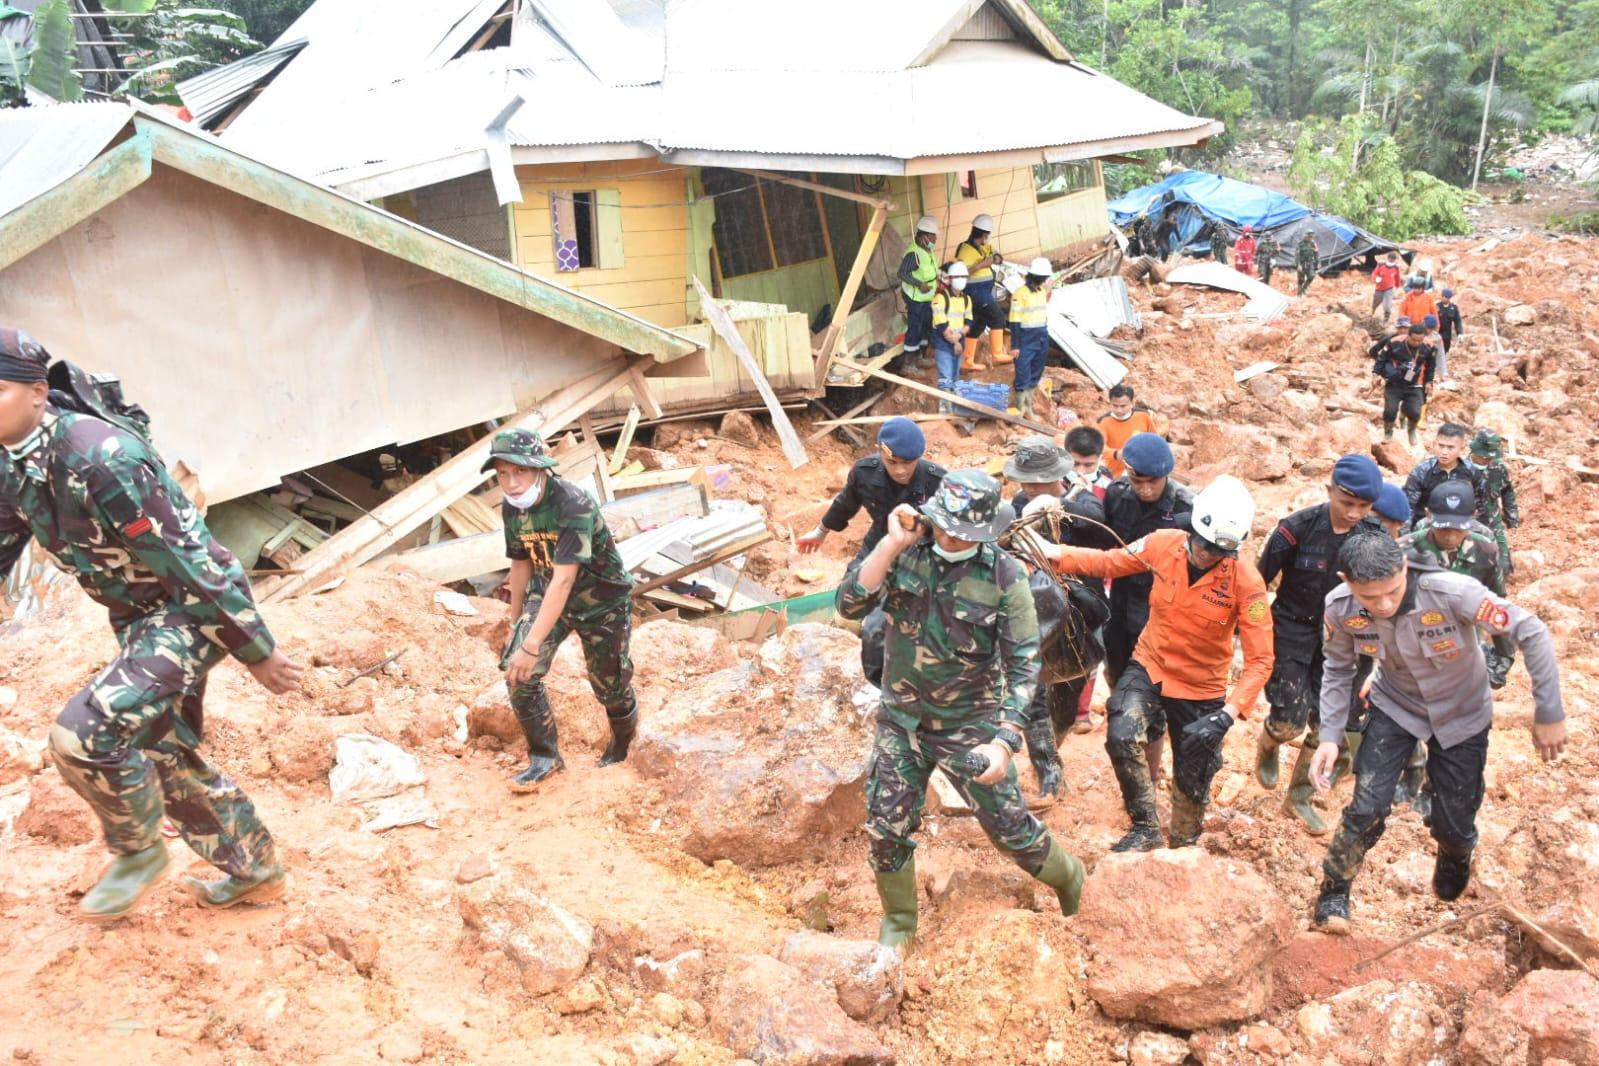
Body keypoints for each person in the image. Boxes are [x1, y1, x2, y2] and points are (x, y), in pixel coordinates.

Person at [0, 328, 301, 918]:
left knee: (83, 735)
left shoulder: (101, 458)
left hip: (192, 609)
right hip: (138, 616)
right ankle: (254, 869)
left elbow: (188, 562)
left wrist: (254, 647)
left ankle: (138, 854)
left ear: (38, 392)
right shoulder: (12, 466)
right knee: (160, 747)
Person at [836, 470, 1087, 947]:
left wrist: (1005, 741)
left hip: (969, 727)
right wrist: (888, 546)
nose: (948, 536)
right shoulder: (908, 550)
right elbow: (849, 603)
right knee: (886, 826)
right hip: (901, 720)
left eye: (960, 530)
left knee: (1011, 831)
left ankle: (1069, 877)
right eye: (943, 524)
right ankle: (900, 924)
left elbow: (1024, 664)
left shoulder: (1005, 577)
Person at [1309, 534, 1565, 932]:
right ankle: (1334, 891)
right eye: (1369, 599)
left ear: (1404, 569)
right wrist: (1329, 734)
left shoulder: (1452, 592)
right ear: (1346, 580)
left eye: (1391, 592)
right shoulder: (1340, 607)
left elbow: (1530, 631)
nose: (1383, 605)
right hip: (1396, 707)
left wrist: (1548, 711)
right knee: (1366, 807)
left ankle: (1456, 851)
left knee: (1454, 824)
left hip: (1462, 712)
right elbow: (1338, 668)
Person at [1038, 475, 1274, 851]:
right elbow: (1109, 562)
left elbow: (1261, 660)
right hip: (1151, 666)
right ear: (1193, 529)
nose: (1208, 555)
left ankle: (1184, 841)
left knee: (1194, 773)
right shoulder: (1162, 544)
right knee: (1121, 734)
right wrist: (1056, 554)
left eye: (1219, 552)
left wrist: (1228, 714)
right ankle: (1144, 824)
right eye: (1205, 546)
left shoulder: (1248, 583)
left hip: (1202, 688)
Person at [492, 428, 637, 791]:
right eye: (502, 474)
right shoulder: (514, 508)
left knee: (610, 687)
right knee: (518, 675)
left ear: (539, 468)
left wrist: (531, 645)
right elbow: (521, 562)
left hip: (601, 601)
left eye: (519, 472)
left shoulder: (573, 504)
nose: (510, 484)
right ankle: (544, 756)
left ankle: (622, 744)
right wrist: (516, 625)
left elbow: (565, 580)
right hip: (547, 594)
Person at [1254, 455, 1384, 833]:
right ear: (1329, 492)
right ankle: (1269, 741)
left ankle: (1298, 797)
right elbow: (1257, 582)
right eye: (1347, 504)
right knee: (1289, 720)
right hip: (1292, 631)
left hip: (1343, 642)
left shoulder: (1374, 539)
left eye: (1364, 506)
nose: (1355, 513)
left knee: (1327, 724)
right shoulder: (1295, 529)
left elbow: (1383, 596)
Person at [1004, 438, 1112, 796]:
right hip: (1037, 615)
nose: (1029, 488)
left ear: (1057, 476)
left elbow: (1099, 527)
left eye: (1037, 480)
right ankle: (1047, 770)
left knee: (1067, 700)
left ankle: (1056, 746)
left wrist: (1060, 507)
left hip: (1079, 617)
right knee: (1032, 693)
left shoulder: (1084, 502)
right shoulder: (1019, 504)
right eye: (1025, 481)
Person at [1100, 434, 1194, 691]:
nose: (1145, 488)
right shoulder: (1118, 495)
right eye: (1137, 481)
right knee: (1117, 668)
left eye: (1152, 481)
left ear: (1165, 475)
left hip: (1163, 606)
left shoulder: (1187, 508)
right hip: (1120, 599)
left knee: (1155, 678)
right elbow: (1103, 545)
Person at [799, 417, 946, 564]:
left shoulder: (939, 482)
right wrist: (820, 533)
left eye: (907, 462)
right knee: (851, 586)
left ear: (918, 456)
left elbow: (956, 527)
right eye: (892, 462)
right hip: (879, 544)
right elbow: (845, 504)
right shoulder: (864, 473)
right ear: (880, 451)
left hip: (921, 554)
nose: (899, 470)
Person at [1402, 423, 1490, 529]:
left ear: (1461, 448)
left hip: (1461, 528)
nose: (1444, 452)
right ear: (1434, 444)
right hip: (1427, 529)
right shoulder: (1422, 471)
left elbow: (1481, 506)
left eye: (1450, 447)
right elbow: (1407, 507)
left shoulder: (1471, 472)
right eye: (1441, 446)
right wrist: (1407, 537)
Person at [1370, 323, 1438, 446]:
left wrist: (1429, 382)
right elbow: (1382, 358)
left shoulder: (1429, 346)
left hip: (1415, 383)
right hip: (1394, 382)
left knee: (1415, 412)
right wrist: (1376, 374)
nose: (1417, 343)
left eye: (1420, 340)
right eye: (1414, 340)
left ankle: (1411, 431)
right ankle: (1388, 432)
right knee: (1390, 411)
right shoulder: (1395, 343)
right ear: (1408, 336)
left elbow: (1431, 366)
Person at [954, 214, 1005, 370]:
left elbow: (999, 257)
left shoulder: (985, 246)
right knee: (997, 316)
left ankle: (967, 361)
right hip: (974, 291)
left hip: (985, 289)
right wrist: (980, 265)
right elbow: (960, 274)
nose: (989, 238)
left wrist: (994, 259)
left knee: (978, 324)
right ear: (983, 234)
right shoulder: (964, 250)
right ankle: (997, 354)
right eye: (988, 235)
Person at [1007, 256, 1054, 417]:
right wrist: (1015, 345)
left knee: (1036, 371)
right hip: (1025, 338)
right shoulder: (1020, 293)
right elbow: (1014, 321)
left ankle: (1029, 408)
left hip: (1041, 335)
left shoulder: (1042, 291)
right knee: (1023, 372)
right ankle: (1021, 409)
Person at [1469, 428, 1519, 574]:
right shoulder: (1461, 469)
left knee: (1503, 563)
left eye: (1489, 458)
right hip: (1468, 524)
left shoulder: (1498, 468)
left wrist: (1512, 519)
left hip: (1492, 522)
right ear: (1474, 451)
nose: (1486, 461)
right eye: (1483, 457)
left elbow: (1507, 492)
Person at [898, 216, 941, 371]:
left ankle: (919, 358)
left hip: (926, 297)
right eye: (933, 236)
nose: (935, 239)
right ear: (924, 236)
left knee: (925, 326)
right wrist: (919, 284)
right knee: (914, 327)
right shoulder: (914, 254)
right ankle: (908, 363)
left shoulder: (926, 251)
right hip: (915, 297)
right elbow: (902, 273)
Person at [931, 262, 974, 409]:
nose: (961, 279)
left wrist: (960, 335)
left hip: (959, 342)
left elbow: (969, 321)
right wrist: (955, 342)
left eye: (964, 276)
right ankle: (945, 410)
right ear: (950, 279)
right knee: (945, 376)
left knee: (955, 376)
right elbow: (942, 325)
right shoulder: (940, 298)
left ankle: (954, 407)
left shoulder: (967, 299)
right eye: (958, 276)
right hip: (944, 344)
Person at [1096, 384, 1159, 479]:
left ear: (1132, 403)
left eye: (1123, 406)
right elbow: (1099, 448)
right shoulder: (1104, 422)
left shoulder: (1143, 417)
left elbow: (1155, 440)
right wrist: (1117, 454)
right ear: (1110, 403)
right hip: (1116, 475)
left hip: (1142, 470)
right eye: (1115, 405)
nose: (1119, 410)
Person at [1370, 252, 1403, 323]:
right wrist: (1376, 278)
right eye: (1390, 259)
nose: (1391, 260)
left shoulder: (1395, 268)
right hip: (1379, 288)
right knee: (1376, 302)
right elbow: (1374, 274)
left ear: (1394, 260)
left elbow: (1397, 278)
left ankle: (1386, 319)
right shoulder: (1381, 265)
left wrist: (1398, 286)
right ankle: (1372, 313)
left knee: (1387, 305)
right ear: (1387, 258)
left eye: (1393, 259)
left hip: (1389, 289)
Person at [1436, 289, 1464, 353]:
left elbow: (1457, 321)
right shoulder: (1437, 306)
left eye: (1448, 297)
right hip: (1437, 333)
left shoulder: (1453, 308)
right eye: (1444, 297)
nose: (1446, 299)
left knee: (1445, 351)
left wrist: (1460, 333)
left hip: (1447, 335)